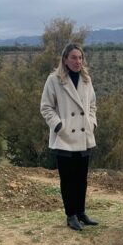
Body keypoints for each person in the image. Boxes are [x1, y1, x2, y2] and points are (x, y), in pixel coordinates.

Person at [40, 43, 99, 231]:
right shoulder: (54, 80)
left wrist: (92, 123)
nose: (77, 61)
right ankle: (70, 214)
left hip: (83, 135)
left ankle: (81, 212)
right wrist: (59, 126)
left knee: (82, 178)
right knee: (68, 179)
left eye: (80, 57)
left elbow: (92, 105)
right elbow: (46, 107)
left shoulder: (86, 79)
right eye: (73, 57)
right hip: (64, 137)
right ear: (65, 59)